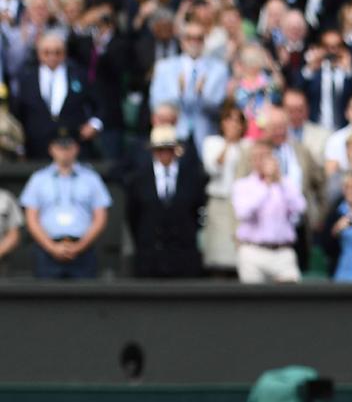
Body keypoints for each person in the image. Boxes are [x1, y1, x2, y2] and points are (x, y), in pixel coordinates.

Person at [19, 129, 110, 279]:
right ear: (51, 149)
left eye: (68, 147)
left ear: (76, 148)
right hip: (47, 251)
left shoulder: (91, 178)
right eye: (60, 147)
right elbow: (31, 219)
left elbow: (100, 218)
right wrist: (52, 247)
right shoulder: (38, 179)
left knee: (85, 300)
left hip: (83, 251)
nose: (64, 152)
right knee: (46, 300)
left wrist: (79, 247)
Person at [125, 124, 206, 278]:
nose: (164, 154)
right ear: (153, 151)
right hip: (149, 257)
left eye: (168, 149)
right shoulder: (139, 179)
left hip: (183, 256)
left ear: (175, 150)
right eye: (159, 149)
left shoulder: (191, 178)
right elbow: (133, 216)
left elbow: (197, 211)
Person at [13, 30, 102, 160]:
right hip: (37, 148)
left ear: (65, 53)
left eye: (57, 52)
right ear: (38, 53)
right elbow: (18, 113)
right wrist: (19, 145)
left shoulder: (79, 75)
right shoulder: (26, 79)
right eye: (47, 52)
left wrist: (94, 124)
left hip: (74, 146)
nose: (52, 56)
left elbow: (100, 103)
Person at [230, 139, 307, 283]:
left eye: (265, 156)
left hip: (282, 252)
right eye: (257, 157)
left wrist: (279, 183)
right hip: (252, 251)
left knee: (291, 300)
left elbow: (300, 208)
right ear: (251, 161)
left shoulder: (286, 183)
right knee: (253, 302)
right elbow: (243, 213)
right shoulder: (242, 185)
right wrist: (266, 186)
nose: (261, 161)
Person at [148, 22, 228, 155]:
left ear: (204, 40)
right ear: (182, 41)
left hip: (205, 136)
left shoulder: (219, 69)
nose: (194, 42)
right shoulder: (164, 67)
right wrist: (179, 95)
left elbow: (219, 107)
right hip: (174, 135)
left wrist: (202, 96)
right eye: (189, 38)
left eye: (199, 38)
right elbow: (156, 104)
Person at [200, 104, 247, 275]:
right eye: (229, 119)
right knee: (217, 256)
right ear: (222, 123)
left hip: (240, 207)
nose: (233, 124)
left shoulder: (247, 146)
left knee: (239, 257)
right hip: (219, 203)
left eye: (237, 121)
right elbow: (212, 169)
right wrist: (228, 143)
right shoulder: (212, 142)